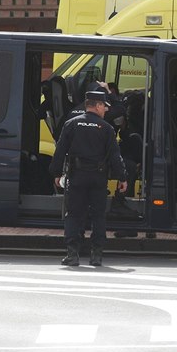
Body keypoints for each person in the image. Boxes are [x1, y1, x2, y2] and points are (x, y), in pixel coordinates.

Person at [49, 90, 128, 267]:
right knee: (98, 216)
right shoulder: (106, 128)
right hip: (98, 178)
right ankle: (96, 255)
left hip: (76, 177)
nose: (106, 110)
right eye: (104, 106)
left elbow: (60, 151)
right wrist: (122, 177)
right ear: (97, 105)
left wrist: (56, 174)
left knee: (74, 215)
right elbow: (115, 156)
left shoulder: (71, 124)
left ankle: (72, 254)